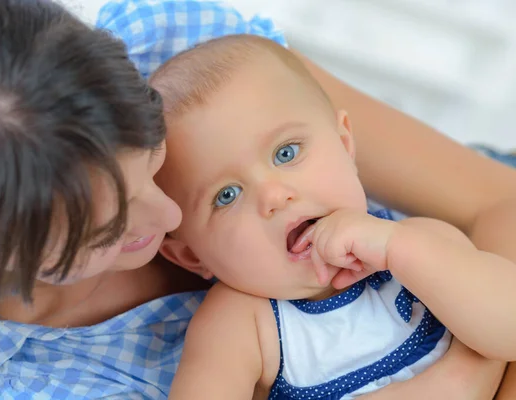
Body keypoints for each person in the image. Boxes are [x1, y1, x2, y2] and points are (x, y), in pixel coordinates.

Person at [0, 0, 512, 398]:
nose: (172, 217)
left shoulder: (182, 56)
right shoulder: (37, 384)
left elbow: (496, 202)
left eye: (152, 158)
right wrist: (463, 374)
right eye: (106, 231)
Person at [149, 34, 516, 399]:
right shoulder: (240, 325)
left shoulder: (420, 242)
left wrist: (397, 248)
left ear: (344, 145)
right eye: (226, 196)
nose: (274, 196)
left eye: (286, 153)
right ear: (193, 256)